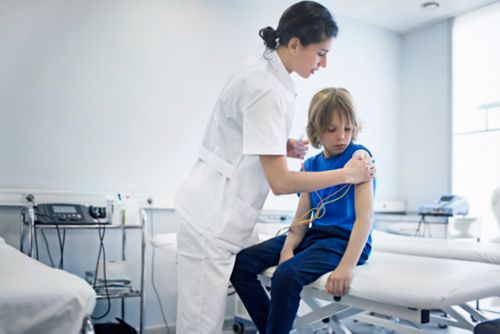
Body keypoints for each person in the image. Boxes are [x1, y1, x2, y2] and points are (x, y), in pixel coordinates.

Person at [174, 2, 375, 333]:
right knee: (199, 324)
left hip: (225, 211)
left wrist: (278, 147)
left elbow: (239, 135)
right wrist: (347, 175)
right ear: (295, 44)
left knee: (262, 275)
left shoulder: (262, 71)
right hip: (212, 215)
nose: (324, 63)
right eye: (320, 53)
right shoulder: (267, 88)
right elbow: (281, 183)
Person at [230, 87, 375, 334]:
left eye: (348, 128)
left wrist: (346, 266)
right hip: (313, 237)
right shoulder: (311, 165)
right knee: (242, 264)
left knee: (286, 275)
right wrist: (288, 248)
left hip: (343, 241)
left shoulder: (359, 158)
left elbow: (365, 217)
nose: (342, 136)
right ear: (317, 130)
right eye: (332, 129)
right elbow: (301, 220)